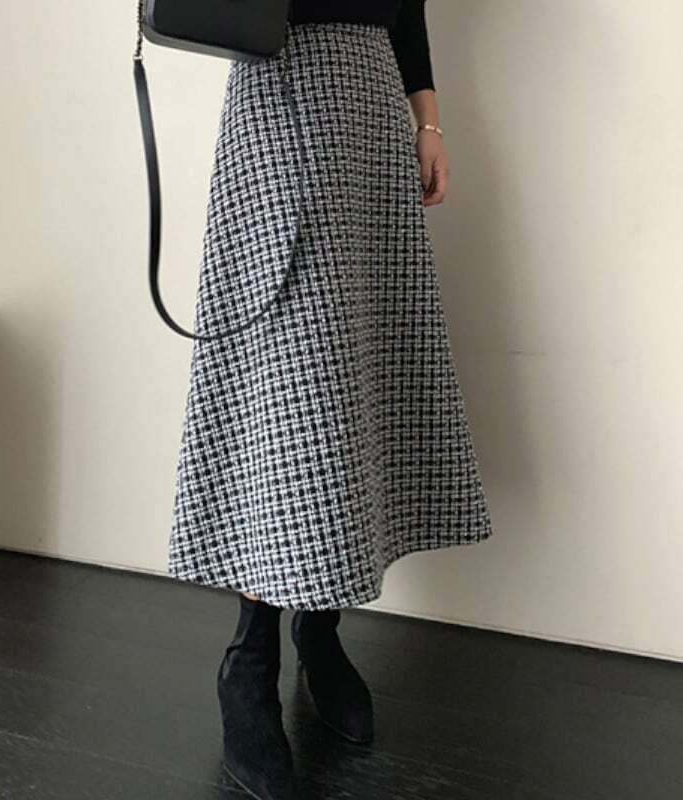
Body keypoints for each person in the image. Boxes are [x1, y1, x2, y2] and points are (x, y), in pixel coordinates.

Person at [166, 2, 494, 797]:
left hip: (373, 105)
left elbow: (406, 9)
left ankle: (319, 629)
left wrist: (428, 123)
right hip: (280, 97)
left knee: (358, 379)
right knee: (290, 385)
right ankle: (250, 661)